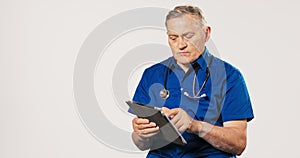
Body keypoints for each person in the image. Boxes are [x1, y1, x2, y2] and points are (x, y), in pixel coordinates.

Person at [129, 5, 254, 158]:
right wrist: (141, 134)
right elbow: (141, 144)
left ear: (206, 33)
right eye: (173, 38)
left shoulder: (230, 76)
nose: (181, 45)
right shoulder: (152, 74)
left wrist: (194, 125)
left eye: (188, 36)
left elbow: (238, 143)